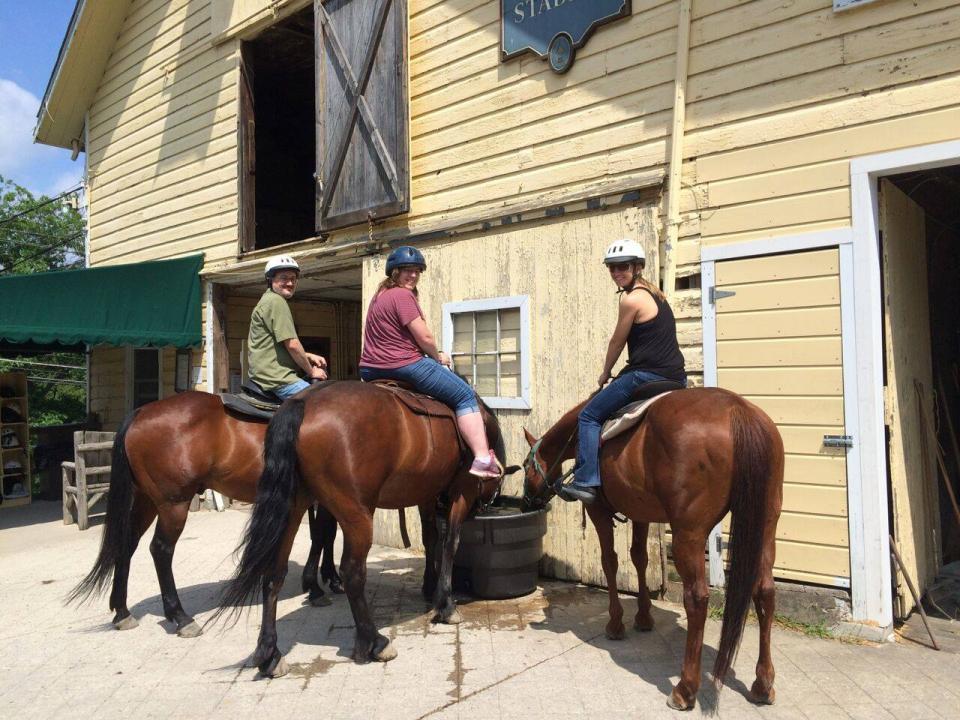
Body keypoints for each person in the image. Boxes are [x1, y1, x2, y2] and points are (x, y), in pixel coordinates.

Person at [558, 239, 687, 505]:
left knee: (589, 416)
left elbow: (617, 341)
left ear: (637, 267)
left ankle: (586, 481)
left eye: (623, 267)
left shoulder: (631, 299)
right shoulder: (655, 294)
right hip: (675, 376)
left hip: (646, 375)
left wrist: (605, 372)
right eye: (612, 268)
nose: (617, 273)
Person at [358, 246, 500, 479]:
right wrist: (437, 356)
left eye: (417, 271)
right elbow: (424, 337)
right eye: (406, 270)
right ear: (394, 272)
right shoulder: (402, 295)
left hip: (370, 368)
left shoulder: (379, 296)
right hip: (403, 364)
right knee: (464, 395)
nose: (412, 276)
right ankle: (483, 458)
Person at [246, 255, 327, 400]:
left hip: (265, 375)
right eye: (284, 278)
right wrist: (311, 372)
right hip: (278, 379)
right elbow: (292, 345)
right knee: (324, 402)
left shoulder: (267, 300)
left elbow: (277, 345)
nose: (290, 283)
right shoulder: (276, 302)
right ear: (270, 279)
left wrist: (307, 355)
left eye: (293, 279)